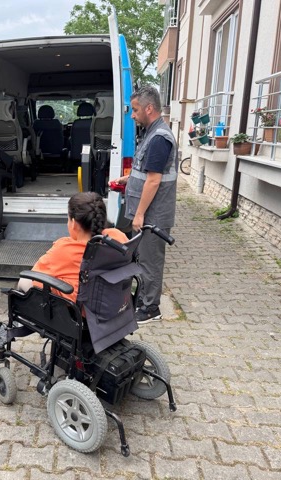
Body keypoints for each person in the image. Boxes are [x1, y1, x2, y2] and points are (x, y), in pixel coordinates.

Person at [111, 85, 177, 325]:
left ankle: (150, 308)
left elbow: (154, 180)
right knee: (141, 259)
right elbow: (147, 171)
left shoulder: (159, 138)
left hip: (153, 215)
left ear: (149, 108)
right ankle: (142, 300)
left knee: (150, 261)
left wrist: (139, 214)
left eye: (135, 110)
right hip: (147, 213)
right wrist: (127, 179)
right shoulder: (151, 133)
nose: (132, 115)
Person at [18, 191, 128, 303]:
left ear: (74, 223)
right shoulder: (117, 237)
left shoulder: (64, 249)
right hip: (112, 302)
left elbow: (35, 274)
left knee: (25, 280)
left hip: (81, 307)